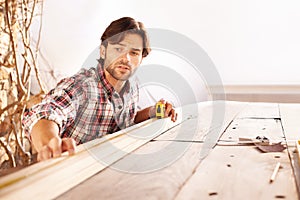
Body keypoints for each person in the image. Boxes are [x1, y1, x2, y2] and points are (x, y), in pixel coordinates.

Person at [22, 17, 177, 161]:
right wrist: (49, 143)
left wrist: (155, 111)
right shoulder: (82, 85)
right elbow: (46, 112)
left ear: (142, 58)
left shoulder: (132, 86)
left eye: (134, 53)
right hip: (69, 173)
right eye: (118, 49)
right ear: (103, 51)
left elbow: (129, 119)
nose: (126, 58)